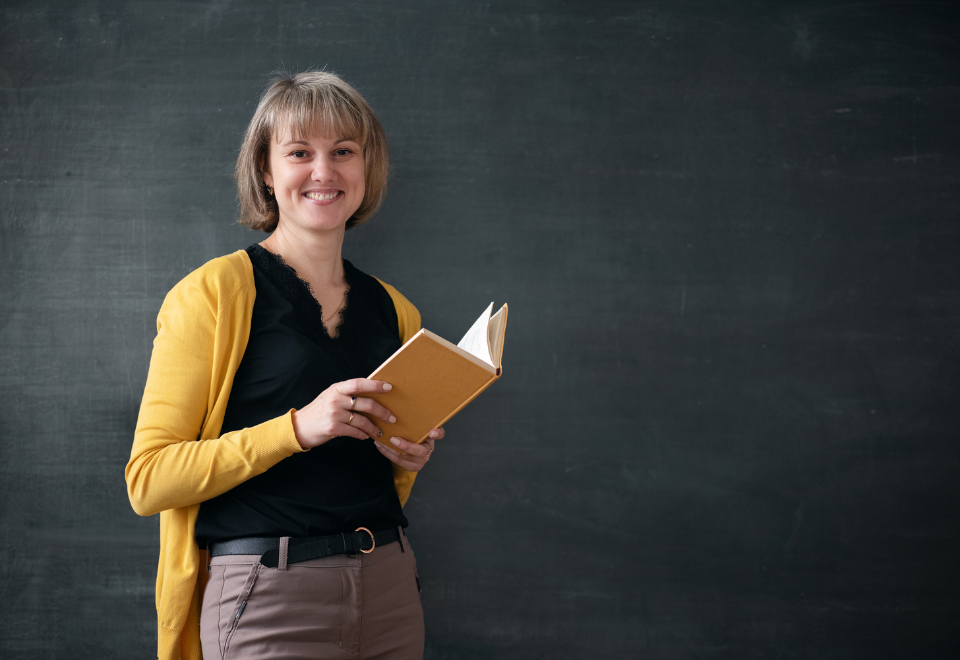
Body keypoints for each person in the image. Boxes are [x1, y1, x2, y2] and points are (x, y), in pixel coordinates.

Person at [125, 70, 441, 660]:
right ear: (266, 172)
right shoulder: (212, 294)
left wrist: (408, 451)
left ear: (366, 169)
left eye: (343, 151)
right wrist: (295, 430)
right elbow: (149, 481)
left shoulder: (397, 310)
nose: (324, 171)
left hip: (391, 586)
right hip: (267, 597)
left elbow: (383, 472)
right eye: (300, 152)